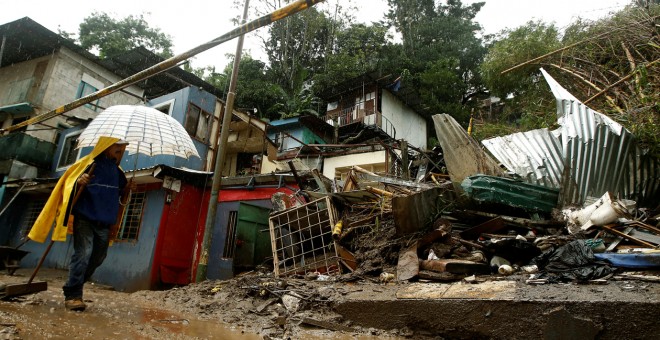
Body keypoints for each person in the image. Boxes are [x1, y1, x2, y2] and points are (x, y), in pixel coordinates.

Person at [28, 136, 132, 311]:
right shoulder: (89, 164)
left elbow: (122, 196)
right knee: (83, 254)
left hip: (104, 222)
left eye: (122, 150)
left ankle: (72, 285)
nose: (121, 152)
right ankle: (74, 295)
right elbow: (70, 186)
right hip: (84, 218)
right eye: (118, 148)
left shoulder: (119, 173)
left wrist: (128, 189)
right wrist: (79, 182)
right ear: (107, 147)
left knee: (99, 257)